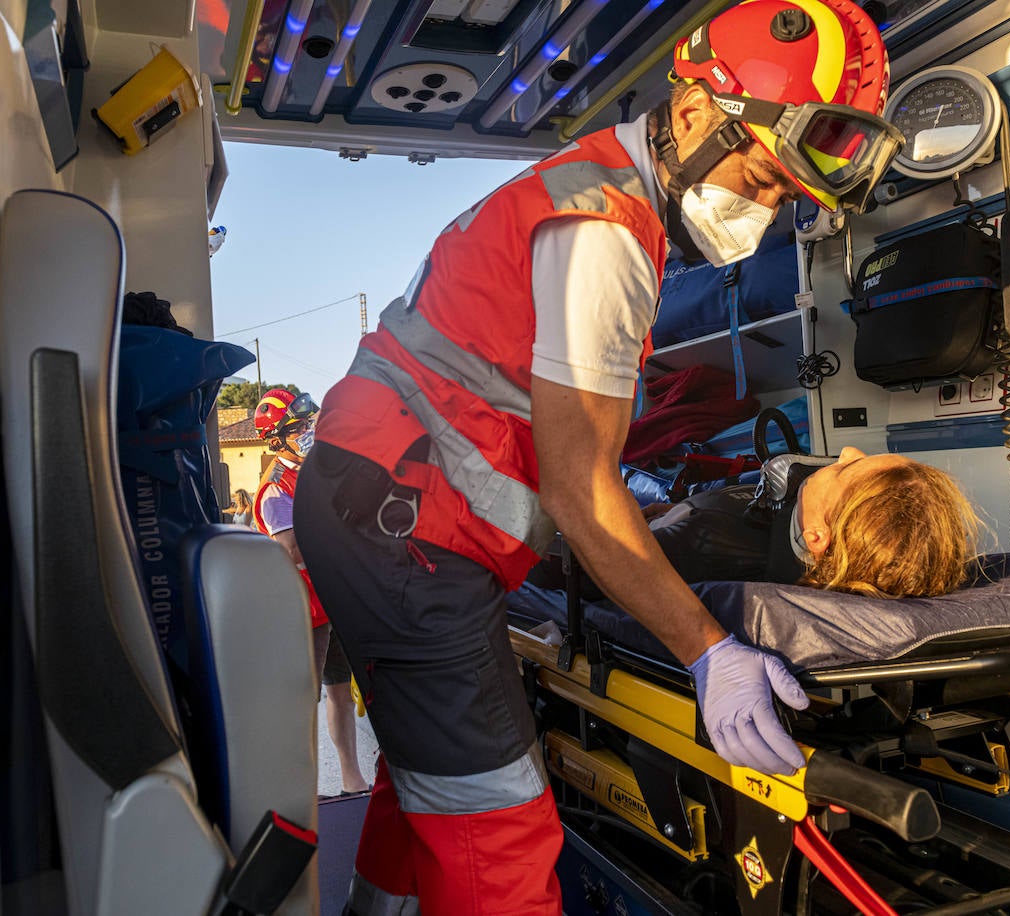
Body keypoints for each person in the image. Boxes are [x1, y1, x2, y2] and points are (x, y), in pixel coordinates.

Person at [292, 0, 904, 910]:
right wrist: (707, 653)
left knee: (431, 784)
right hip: (407, 537)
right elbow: (581, 488)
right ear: (694, 111)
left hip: (377, 513)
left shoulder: (587, 193)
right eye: (765, 180)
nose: (767, 209)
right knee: (500, 830)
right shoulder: (606, 229)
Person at [536, 447, 982, 602]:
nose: (847, 452)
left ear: (817, 537)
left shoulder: (703, 542)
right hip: (674, 511)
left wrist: (637, 530)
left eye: (849, 469)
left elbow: (563, 567)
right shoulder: (777, 538)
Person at [251, 389, 368, 796]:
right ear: (276, 440)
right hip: (304, 614)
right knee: (303, 703)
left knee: (339, 691)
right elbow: (293, 548)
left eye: (308, 424)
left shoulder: (316, 473)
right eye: (297, 428)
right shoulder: (274, 489)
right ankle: (302, 788)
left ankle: (352, 778)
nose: (307, 433)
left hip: (334, 601)